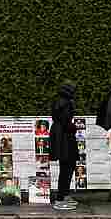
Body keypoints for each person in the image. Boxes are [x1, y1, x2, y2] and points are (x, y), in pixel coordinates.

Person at [50, 82, 79, 210]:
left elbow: (61, 120)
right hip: (65, 139)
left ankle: (64, 195)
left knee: (66, 167)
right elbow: (66, 122)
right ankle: (61, 198)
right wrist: (74, 127)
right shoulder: (67, 104)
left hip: (60, 137)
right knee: (67, 167)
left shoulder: (58, 102)